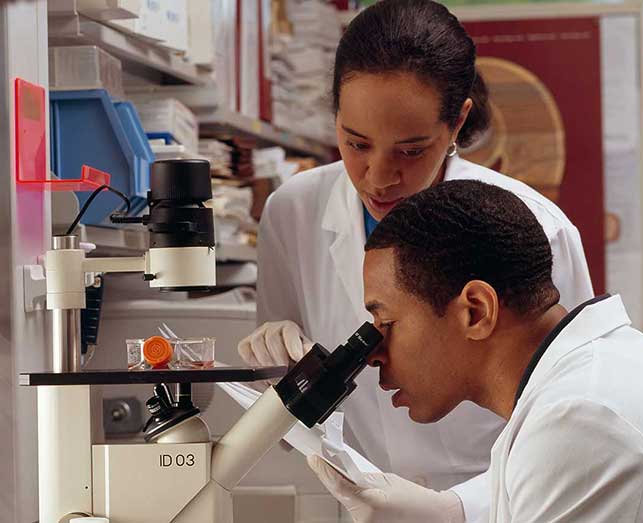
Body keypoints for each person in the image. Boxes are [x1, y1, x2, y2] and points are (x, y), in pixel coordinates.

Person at [238, 0, 593, 520]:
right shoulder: (293, 213)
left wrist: (452, 509)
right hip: (357, 505)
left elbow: (572, 424)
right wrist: (283, 383)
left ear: (457, 123)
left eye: (410, 151)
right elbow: (286, 427)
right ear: (334, 115)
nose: (377, 177)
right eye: (356, 143)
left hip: (503, 506)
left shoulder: (534, 227)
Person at [306, 179, 643, 523]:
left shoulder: (583, 419)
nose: (372, 354)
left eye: (386, 322)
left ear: (475, 310)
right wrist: (451, 511)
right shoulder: (611, 370)